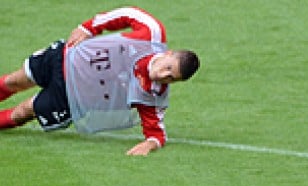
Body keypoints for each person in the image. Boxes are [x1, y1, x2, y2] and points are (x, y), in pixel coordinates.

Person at [0, 7, 200, 155]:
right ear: (168, 53)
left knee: (23, 112)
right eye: (167, 68)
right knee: (14, 81)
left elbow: (156, 132)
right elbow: (128, 13)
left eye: (171, 78)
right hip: (65, 58)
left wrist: (149, 145)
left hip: (70, 97)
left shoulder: (153, 93)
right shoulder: (152, 34)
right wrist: (88, 28)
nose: (163, 76)